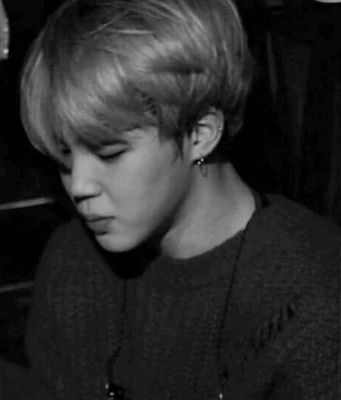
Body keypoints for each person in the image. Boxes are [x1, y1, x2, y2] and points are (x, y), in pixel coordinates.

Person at [19, 0, 339, 399]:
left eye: (109, 153)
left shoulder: (313, 298)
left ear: (200, 134)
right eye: (64, 157)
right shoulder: (72, 263)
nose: (79, 185)